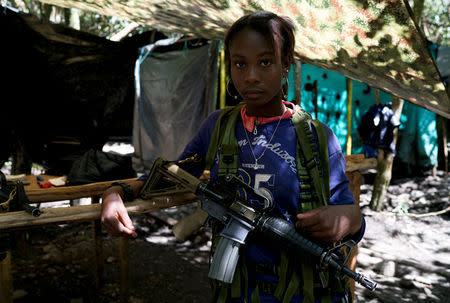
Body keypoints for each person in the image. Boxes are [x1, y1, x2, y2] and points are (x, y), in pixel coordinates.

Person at [101, 11, 365, 303]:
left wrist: (347, 219)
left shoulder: (318, 137)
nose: (250, 76)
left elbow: (351, 216)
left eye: (265, 62)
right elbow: (172, 176)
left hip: (304, 293)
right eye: (240, 64)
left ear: (286, 63)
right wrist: (116, 192)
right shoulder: (218, 126)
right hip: (236, 292)